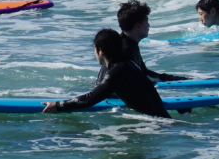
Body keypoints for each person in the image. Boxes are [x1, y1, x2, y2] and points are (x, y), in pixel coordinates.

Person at [41, 28, 171, 118]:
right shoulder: (126, 65)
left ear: (101, 51)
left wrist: (58, 105)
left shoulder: (118, 71)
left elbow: (89, 99)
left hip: (159, 125)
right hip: (159, 122)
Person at [114, 0, 191, 84]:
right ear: (138, 26)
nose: (148, 25)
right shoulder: (124, 49)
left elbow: (143, 72)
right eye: (146, 21)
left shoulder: (128, 44)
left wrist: (175, 79)